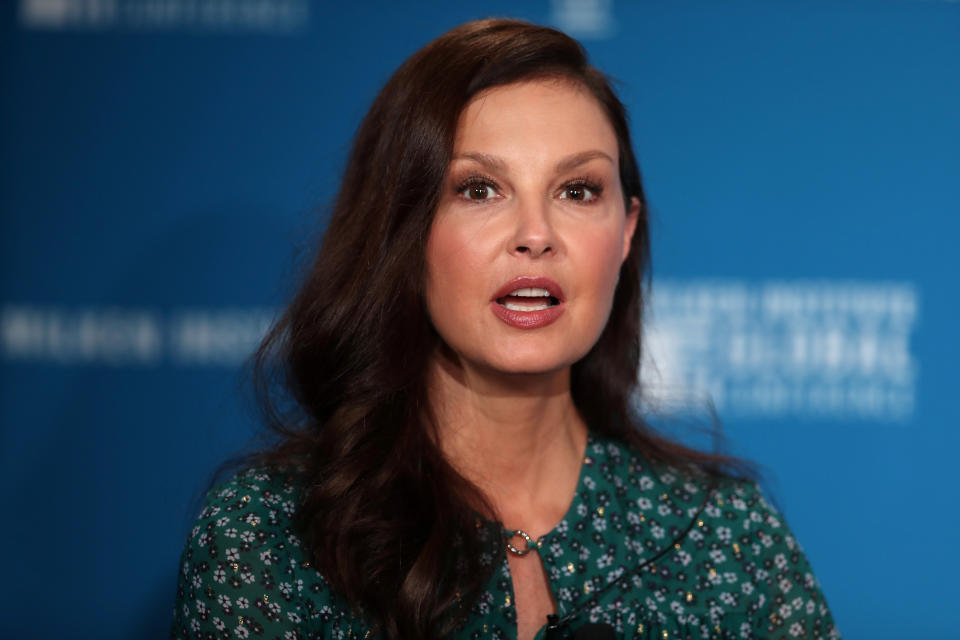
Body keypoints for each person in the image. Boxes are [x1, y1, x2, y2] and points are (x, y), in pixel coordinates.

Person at [171, 18, 840, 640]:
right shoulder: (270, 535)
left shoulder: (724, 536)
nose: (535, 236)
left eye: (577, 191)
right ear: (402, 229)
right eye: (479, 189)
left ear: (627, 232)